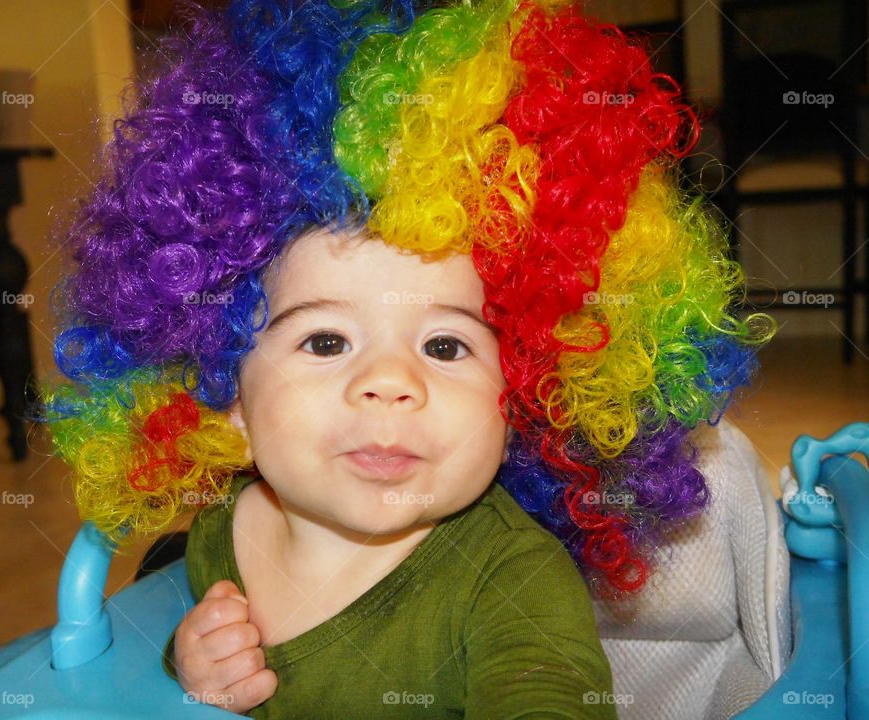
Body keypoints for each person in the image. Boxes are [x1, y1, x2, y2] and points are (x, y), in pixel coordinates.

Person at [40, 0, 774, 716]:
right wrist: (195, 660)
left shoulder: (514, 582)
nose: (391, 382)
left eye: (445, 345)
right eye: (325, 341)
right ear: (226, 401)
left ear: (530, 393)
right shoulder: (217, 534)